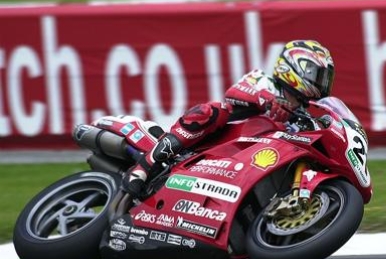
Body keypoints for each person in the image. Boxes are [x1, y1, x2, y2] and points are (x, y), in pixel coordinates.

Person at [122, 40, 335, 200]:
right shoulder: (263, 81)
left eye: (324, 78)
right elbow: (234, 93)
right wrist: (267, 100)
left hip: (249, 166)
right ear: (296, 68)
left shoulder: (304, 115)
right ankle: (143, 167)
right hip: (213, 147)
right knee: (214, 110)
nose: (321, 83)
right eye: (317, 75)